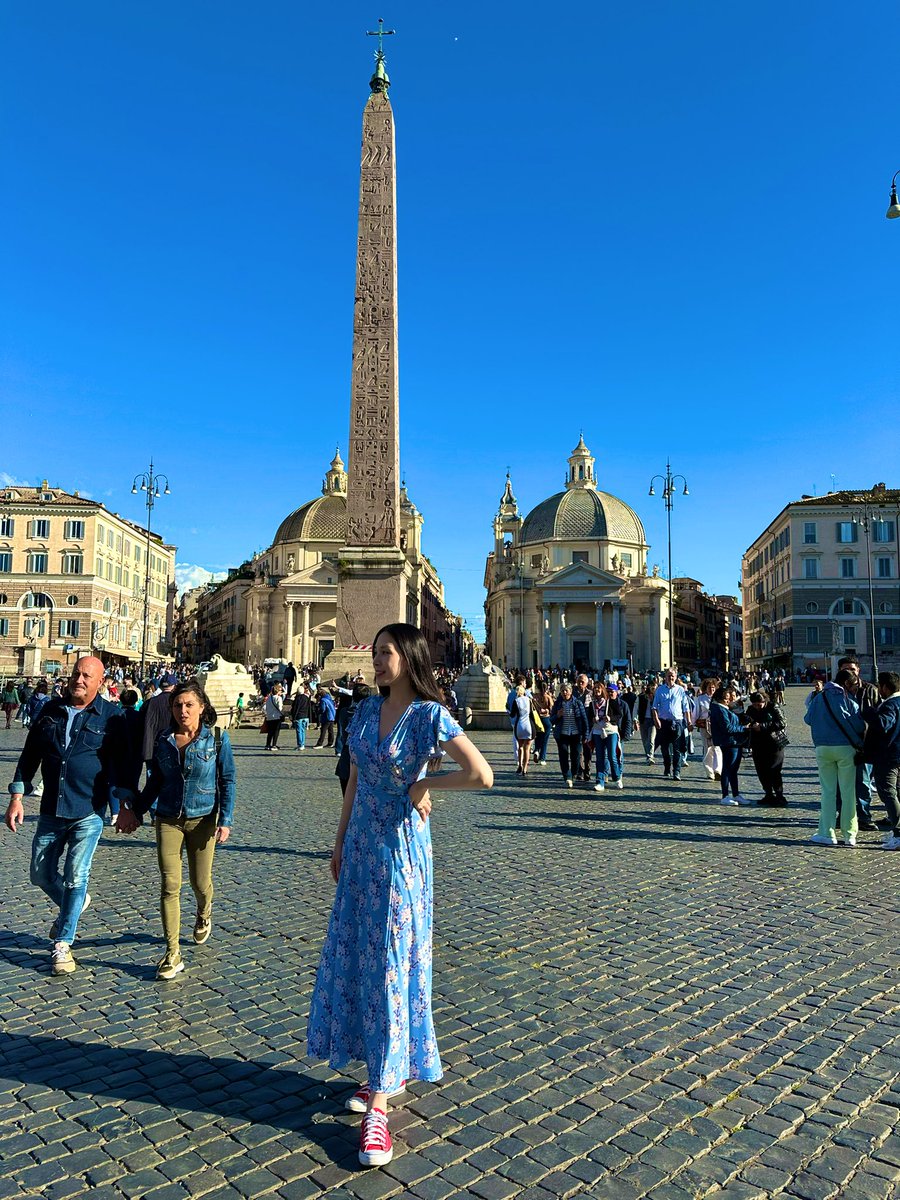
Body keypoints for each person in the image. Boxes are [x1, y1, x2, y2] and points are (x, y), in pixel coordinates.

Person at [307, 623, 493, 1169]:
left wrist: (426, 785)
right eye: (375, 653)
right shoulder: (364, 713)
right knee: (360, 961)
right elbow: (355, 783)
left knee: (391, 961)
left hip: (400, 851)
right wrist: (338, 840)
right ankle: (381, 1072)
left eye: (386, 653)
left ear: (408, 659)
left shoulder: (430, 716)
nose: (376, 661)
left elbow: (481, 774)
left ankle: (379, 1109)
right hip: (362, 846)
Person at [4, 657, 128, 975]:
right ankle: (74, 903)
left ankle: (63, 943)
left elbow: (121, 766)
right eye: (76, 673)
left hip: (89, 810)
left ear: (100, 682)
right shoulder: (50, 711)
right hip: (50, 808)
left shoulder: (112, 717)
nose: (79, 679)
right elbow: (29, 755)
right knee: (39, 873)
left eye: (87, 675)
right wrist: (17, 797)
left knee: (76, 875)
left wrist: (124, 805)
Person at [118, 681, 235, 980]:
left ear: (202, 707)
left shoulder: (218, 739)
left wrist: (226, 819)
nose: (182, 711)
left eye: (188, 705)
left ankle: (204, 911)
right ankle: (172, 953)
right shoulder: (164, 739)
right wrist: (137, 810)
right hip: (169, 817)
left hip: (204, 818)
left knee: (200, 882)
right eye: (177, 705)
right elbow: (156, 781)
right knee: (170, 885)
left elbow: (228, 780)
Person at [804, 668, 865, 847]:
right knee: (848, 792)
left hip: (823, 748)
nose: (855, 689)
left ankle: (827, 833)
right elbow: (859, 725)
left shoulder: (819, 698)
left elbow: (808, 719)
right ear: (846, 683)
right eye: (854, 686)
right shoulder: (848, 699)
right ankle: (850, 834)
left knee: (828, 792)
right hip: (846, 748)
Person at [861, 672, 900, 849]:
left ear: (885, 687)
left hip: (889, 755)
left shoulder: (890, 705)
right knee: (896, 792)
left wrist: (869, 713)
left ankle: (898, 833)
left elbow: (883, 724)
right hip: (896, 754)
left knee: (887, 792)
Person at [709, 684, 752, 806]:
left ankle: (736, 794)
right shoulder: (720, 709)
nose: (729, 700)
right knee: (727, 769)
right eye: (726, 697)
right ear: (720, 698)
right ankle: (725, 795)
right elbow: (727, 727)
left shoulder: (724, 707)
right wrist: (743, 728)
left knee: (734, 769)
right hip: (728, 742)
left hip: (735, 741)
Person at [743, 690, 787, 806]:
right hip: (758, 744)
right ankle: (768, 794)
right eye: (755, 704)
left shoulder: (773, 707)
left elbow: (782, 723)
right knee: (761, 770)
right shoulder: (751, 709)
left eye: (759, 704)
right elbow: (747, 719)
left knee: (774, 770)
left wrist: (762, 726)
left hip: (774, 743)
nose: (757, 706)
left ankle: (779, 795)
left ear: (764, 701)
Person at [651, 669, 693, 781]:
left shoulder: (680, 690)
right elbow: (654, 706)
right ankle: (667, 766)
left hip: (677, 722)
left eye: (673, 676)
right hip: (664, 722)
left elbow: (686, 708)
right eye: (669, 676)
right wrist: (656, 719)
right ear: (665, 677)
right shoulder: (660, 690)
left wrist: (689, 721)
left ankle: (677, 771)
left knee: (677, 748)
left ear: (676, 677)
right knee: (664, 748)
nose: (671, 678)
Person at [550, 682, 589, 788]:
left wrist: (585, 735)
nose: (564, 692)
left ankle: (574, 773)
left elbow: (584, 719)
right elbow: (551, 720)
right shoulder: (558, 704)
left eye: (566, 690)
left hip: (576, 733)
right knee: (563, 755)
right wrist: (557, 715)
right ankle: (567, 776)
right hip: (562, 733)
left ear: (571, 691)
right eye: (562, 690)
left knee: (576, 756)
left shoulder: (577, 703)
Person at [692, 678, 721, 781]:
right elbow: (695, 712)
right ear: (705, 688)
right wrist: (692, 723)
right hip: (705, 726)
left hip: (717, 725)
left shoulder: (718, 698)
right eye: (709, 688)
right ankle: (709, 772)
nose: (711, 690)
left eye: (713, 688)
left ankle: (718, 770)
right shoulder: (700, 699)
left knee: (717, 747)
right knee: (708, 748)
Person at [507, 683, 533, 775]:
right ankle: (525, 767)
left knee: (520, 747)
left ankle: (520, 765)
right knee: (527, 748)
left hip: (519, 726)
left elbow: (512, 714)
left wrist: (507, 709)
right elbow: (532, 714)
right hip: (529, 725)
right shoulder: (529, 700)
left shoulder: (516, 701)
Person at [264, 682, 285, 751]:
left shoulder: (269, 698)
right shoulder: (278, 698)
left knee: (270, 732)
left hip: (269, 717)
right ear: (278, 691)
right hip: (276, 717)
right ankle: (274, 745)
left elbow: (266, 707)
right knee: (276, 732)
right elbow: (280, 708)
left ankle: (267, 744)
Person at [291, 684, 312, 750]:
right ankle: (302, 744)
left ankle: (300, 745)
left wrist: (293, 717)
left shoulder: (297, 698)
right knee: (303, 731)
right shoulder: (306, 698)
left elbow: (295, 708)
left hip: (299, 716)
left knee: (299, 731)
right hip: (305, 716)